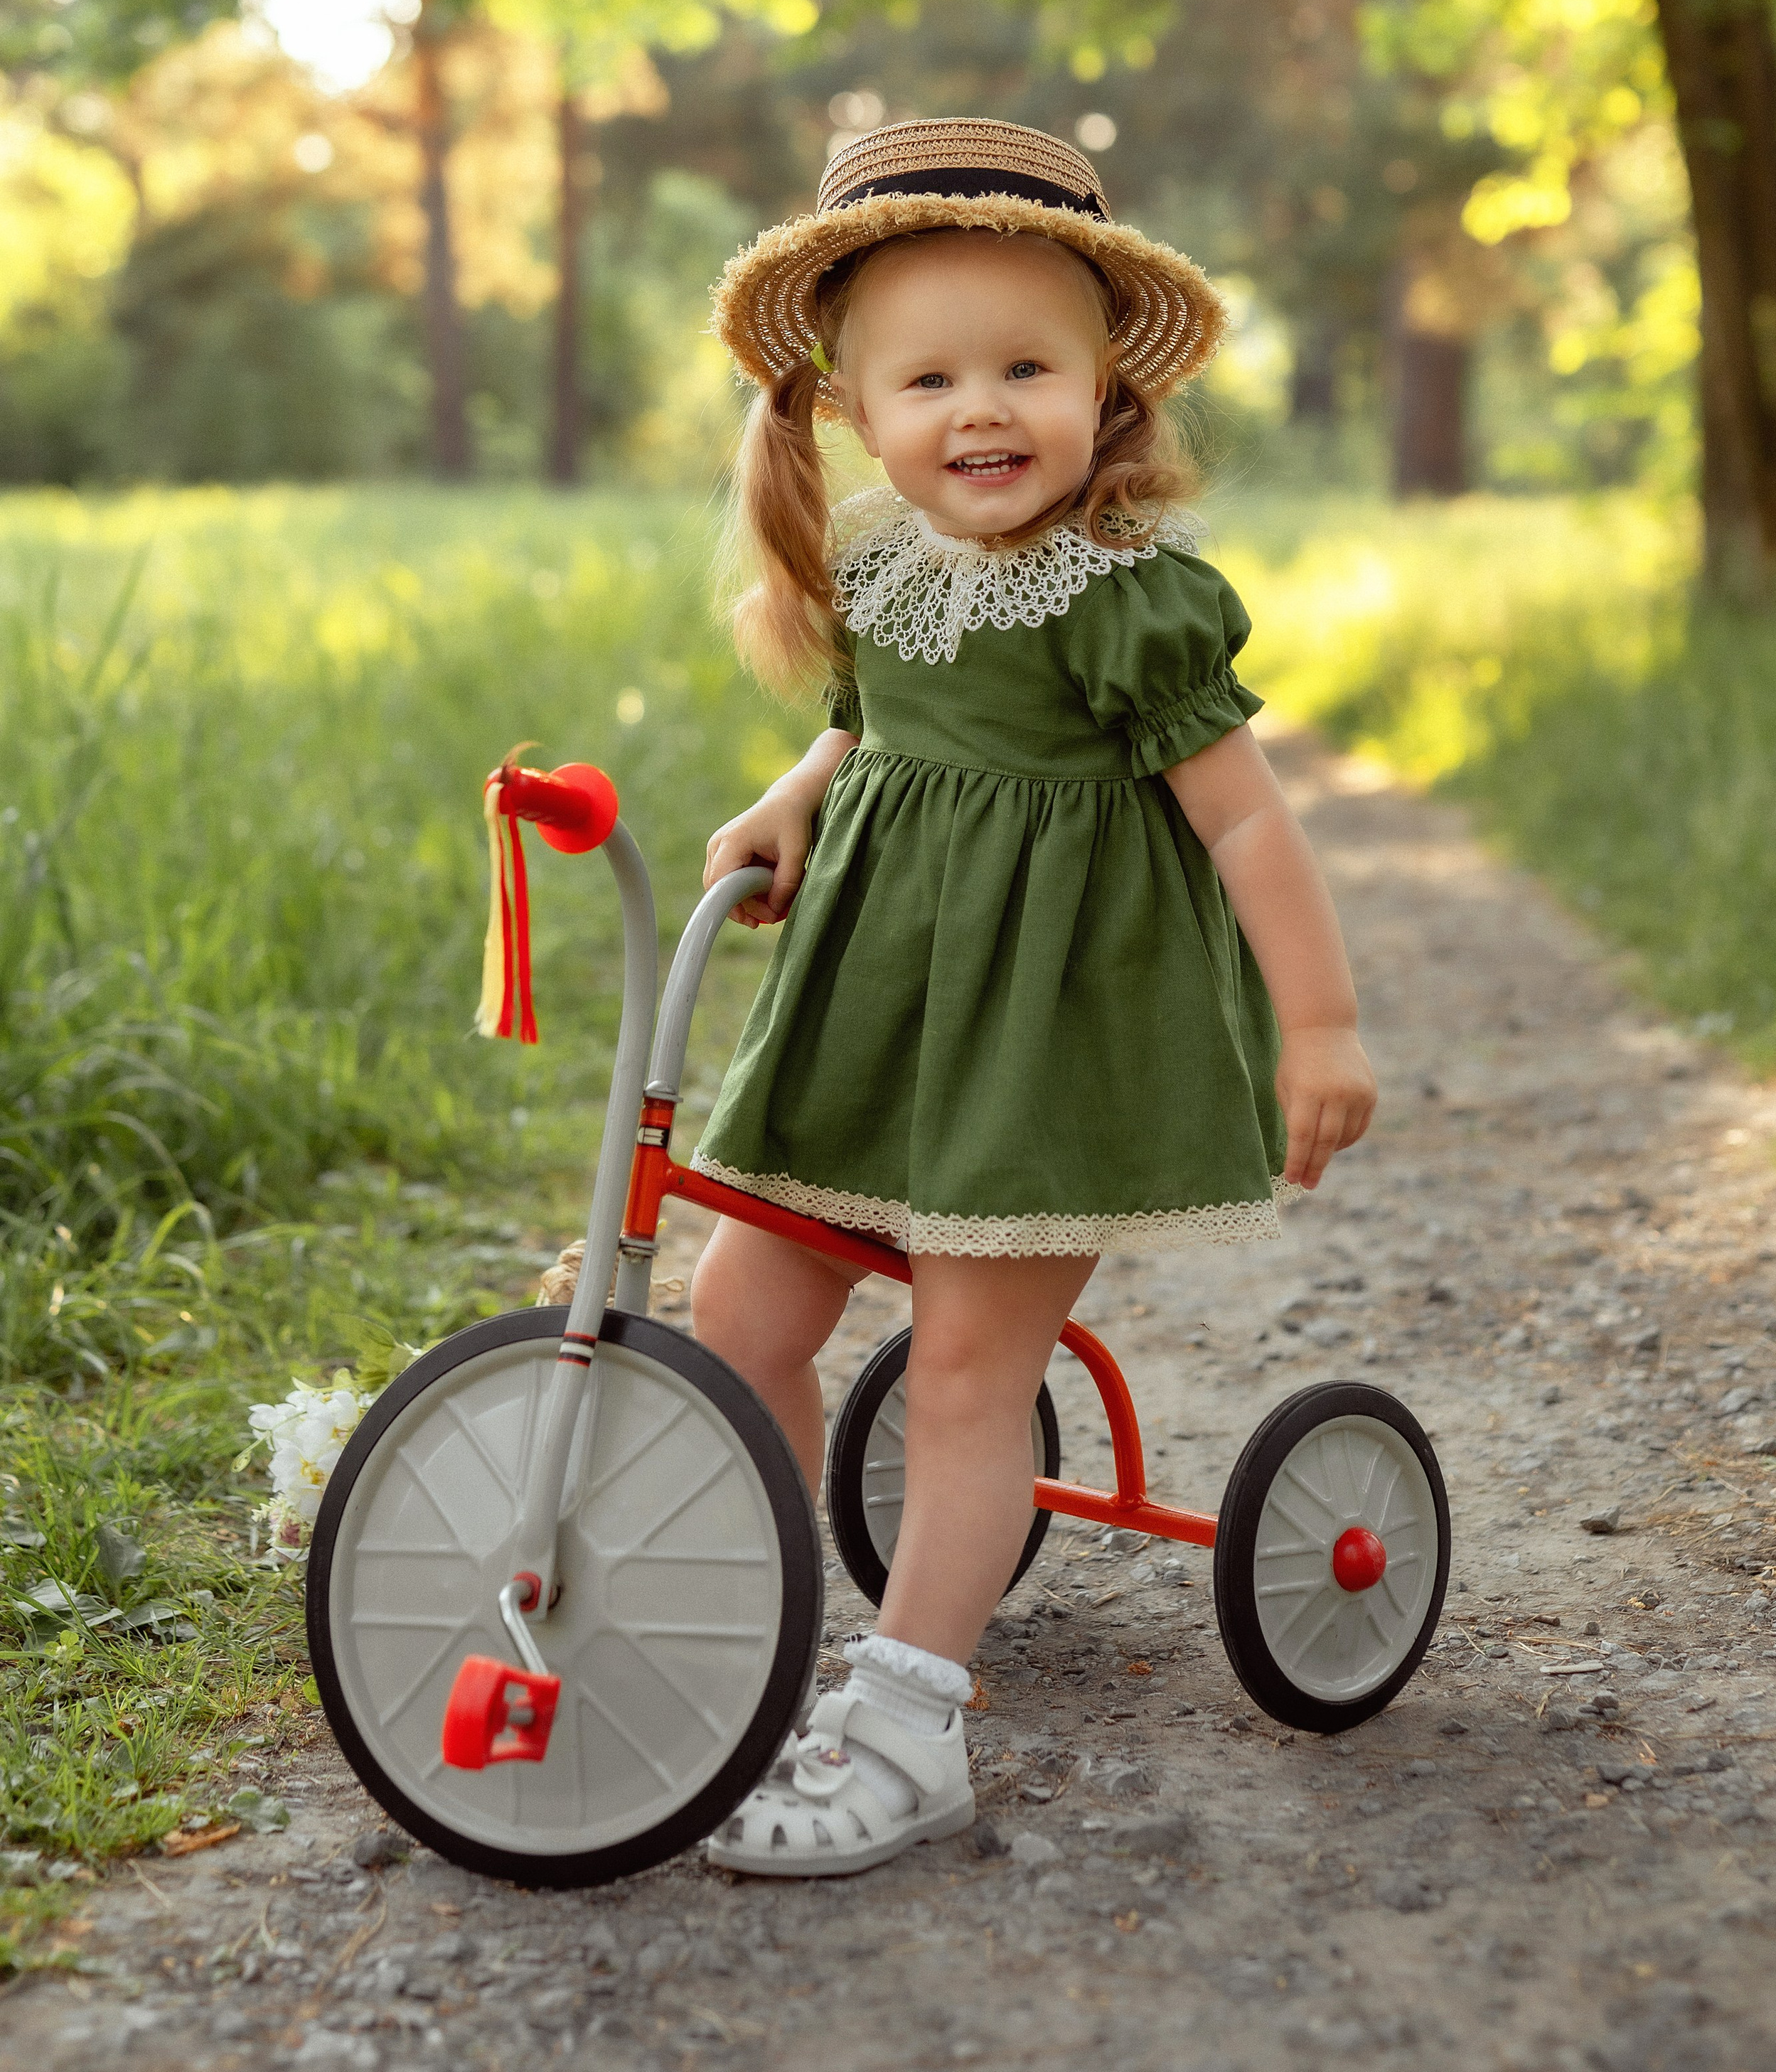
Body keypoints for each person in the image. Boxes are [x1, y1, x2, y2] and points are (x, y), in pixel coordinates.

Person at [581, 118, 1375, 1877]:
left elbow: (1242, 819)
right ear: (856, 412)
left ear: (1107, 393)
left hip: (1042, 1038)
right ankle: (765, 1622)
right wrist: (797, 795)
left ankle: (910, 1716)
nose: (981, 410)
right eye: (929, 376)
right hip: (873, 1019)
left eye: (1026, 365)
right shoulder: (873, 570)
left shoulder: (1125, 602)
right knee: (745, 1310)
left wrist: (1314, 1023)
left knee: (960, 1371)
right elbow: (870, 722)